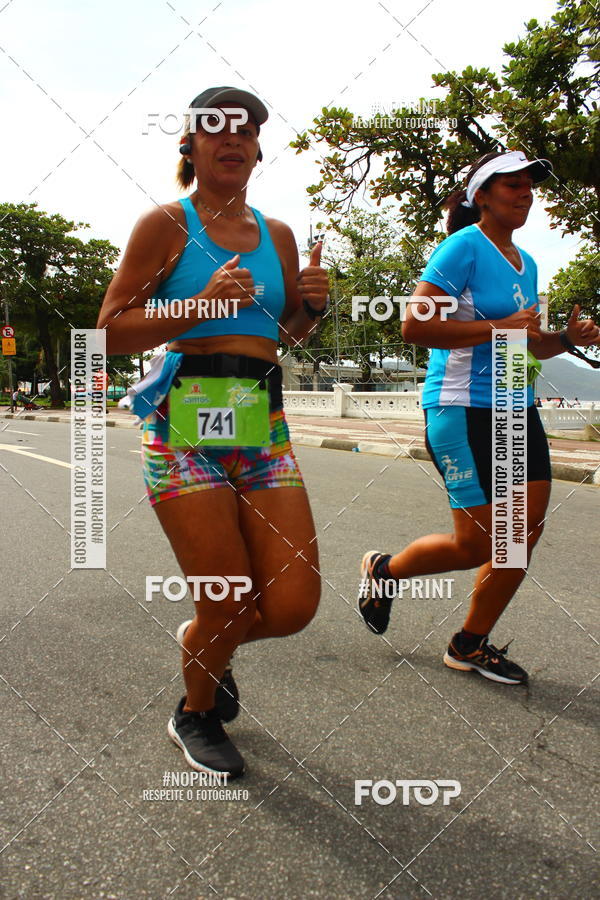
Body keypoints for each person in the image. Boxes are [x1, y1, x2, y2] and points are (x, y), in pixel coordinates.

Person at [97, 86, 328, 776]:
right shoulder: (166, 224)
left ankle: (208, 641)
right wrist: (195, 305)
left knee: (291, 605)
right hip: (184, 420)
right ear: (190, 146)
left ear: (258, 147)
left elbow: (280, 334)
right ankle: (195, 710)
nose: (232, 139)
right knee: (226, 600)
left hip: (262, 422)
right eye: (215, 128)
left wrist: (310, 311)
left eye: (246, 129)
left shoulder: (278, 234)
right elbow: (107, 332)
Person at [358, 149, 600, 684]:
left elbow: (527, 346)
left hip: (517, 407)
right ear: (481, 197)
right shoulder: (462, 247)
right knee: (476, 545)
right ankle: (385, 570)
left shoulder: (527, 262)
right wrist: (502, 328)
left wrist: (565, 338)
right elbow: (415, 327)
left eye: (529, 185)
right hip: (461, 407)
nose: (524, 193)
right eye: (510, 185)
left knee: (522, 535)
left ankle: (469, 643)